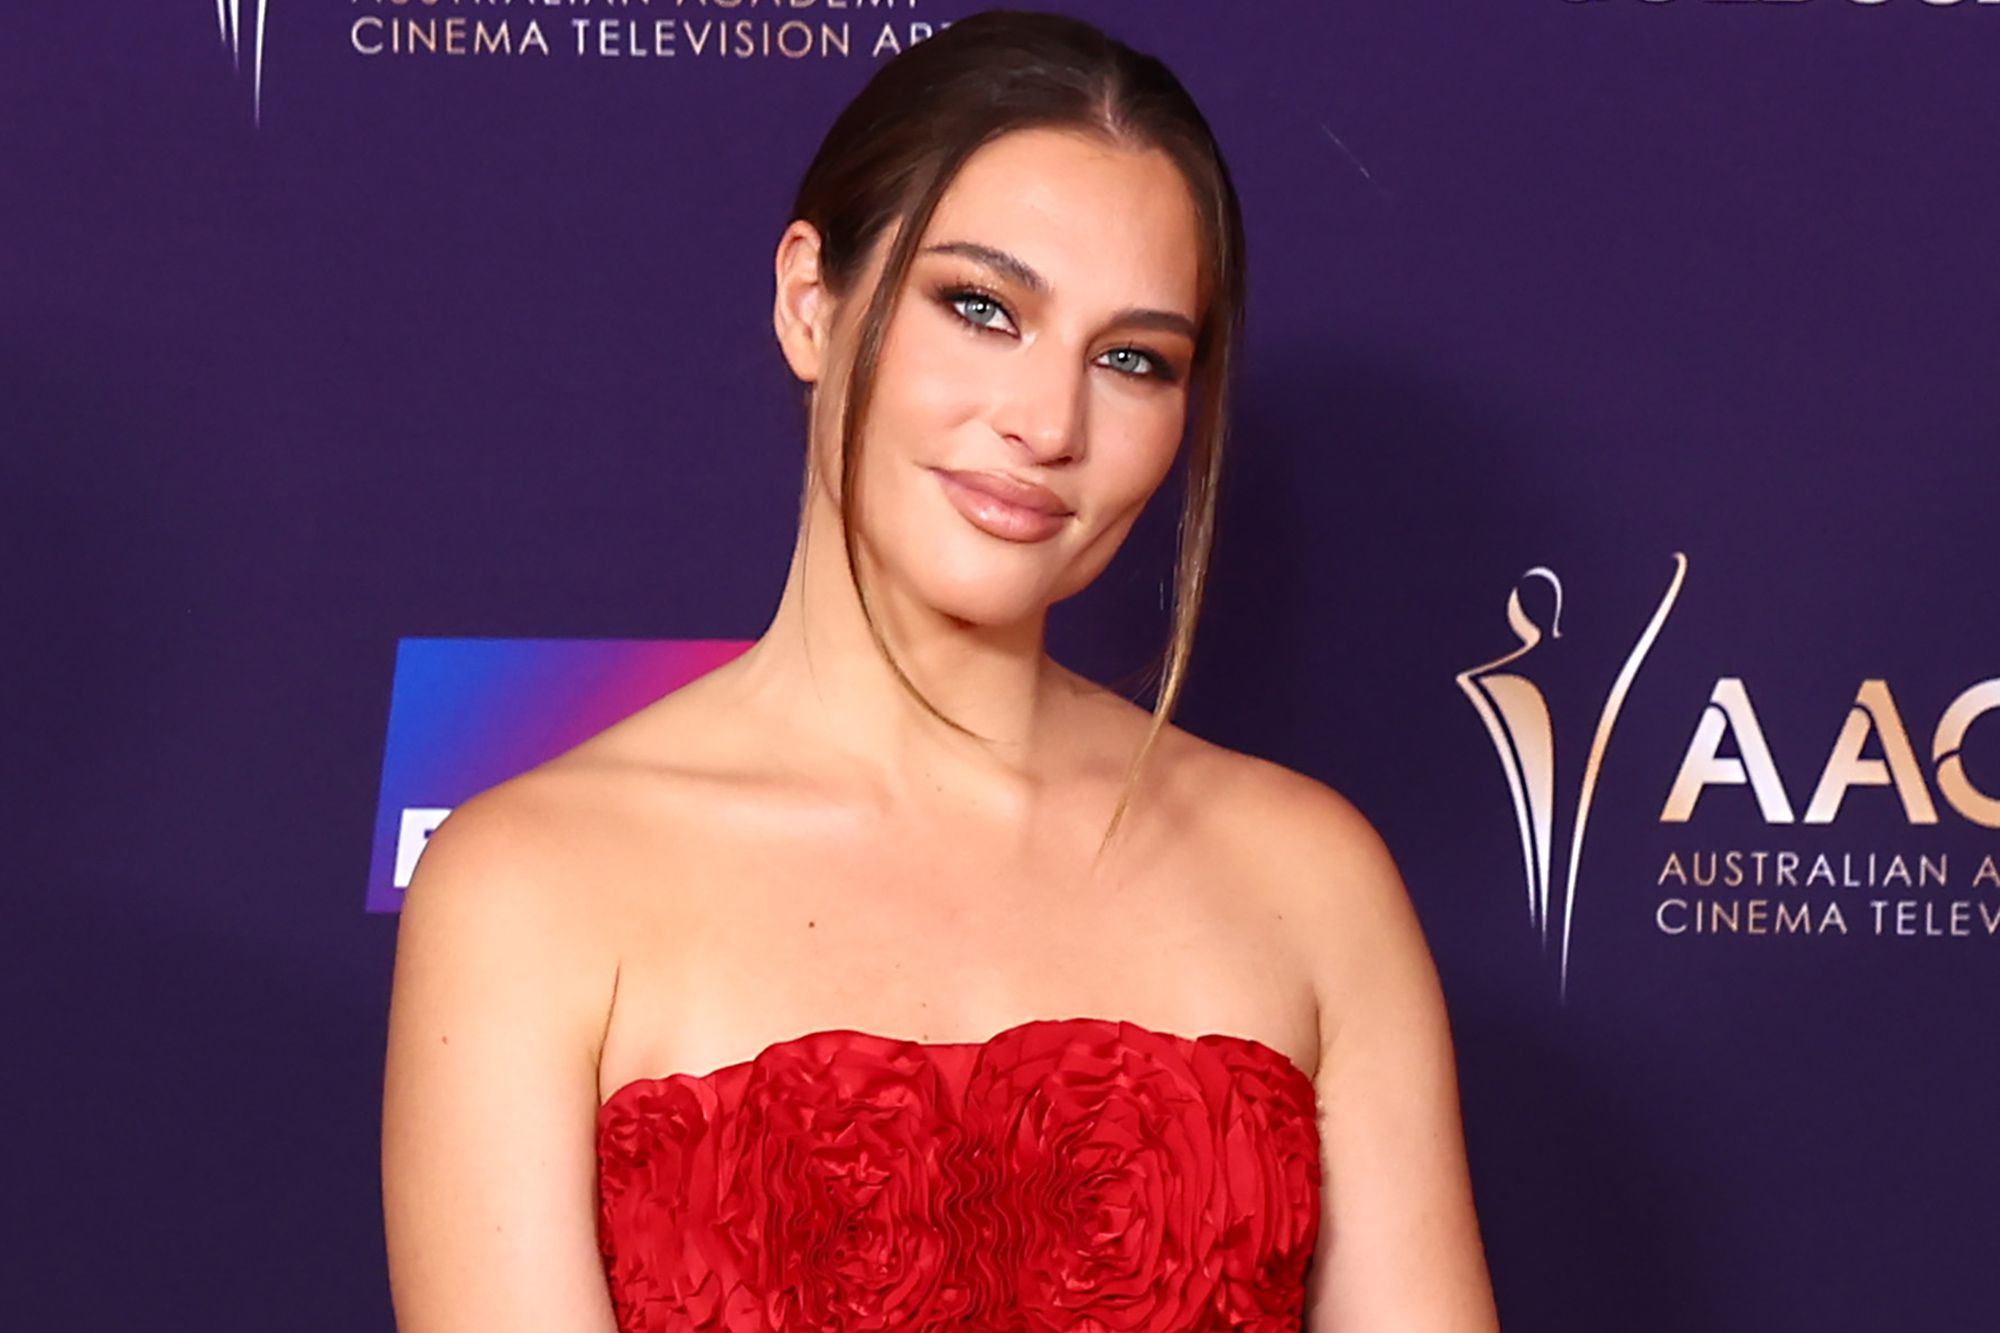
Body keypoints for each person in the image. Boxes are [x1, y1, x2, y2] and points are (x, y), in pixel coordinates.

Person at [381, 9, 1501, 1331]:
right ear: (812, 300)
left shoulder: (1311, 878)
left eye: (1133, 359)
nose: (1047, 422)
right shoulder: (531, 887)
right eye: (982, 307)